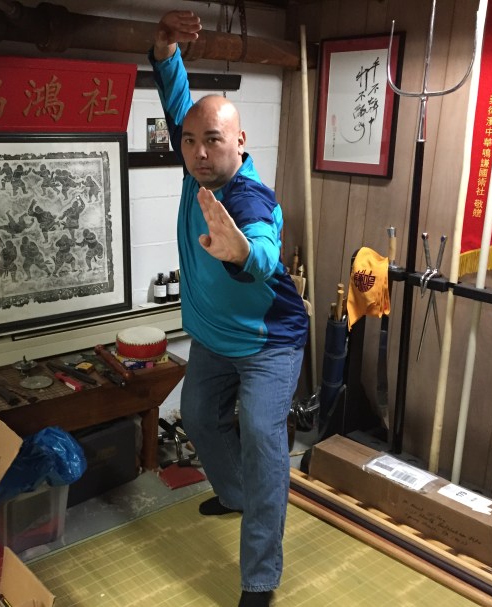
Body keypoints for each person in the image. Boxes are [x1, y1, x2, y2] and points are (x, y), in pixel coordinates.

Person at [150, 11, 309, 607]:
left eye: (213, 139)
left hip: (269, 343)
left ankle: (259, 579)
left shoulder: (249, 197)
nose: (198, 151)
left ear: (240, 142)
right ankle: (236, 495)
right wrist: (166, 48)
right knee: (197, 417)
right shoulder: (195, 164)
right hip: (216, 338)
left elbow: (264, 250)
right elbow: (180, 102)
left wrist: (240, 251)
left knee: (263, 444)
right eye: (190, 141)